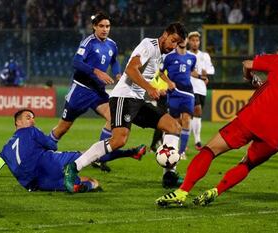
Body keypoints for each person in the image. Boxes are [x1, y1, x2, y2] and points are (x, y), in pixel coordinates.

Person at [155, 48, 278, 207]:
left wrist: (251, 79)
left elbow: (247, 64)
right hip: (276, 136)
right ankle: (215, 191)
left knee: (210, 149)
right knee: (246, 164)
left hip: (252, 118)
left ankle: (182, 192)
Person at [63, 22, 188, 191]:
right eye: (173, 41)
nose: (173, 47)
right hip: (123, 97)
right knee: (118, 140)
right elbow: (130, 69)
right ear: (165, 34)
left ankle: (169, 175)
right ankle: (73, 167)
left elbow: (153, 71)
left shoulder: (161, 53)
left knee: (173, 126)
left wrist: (161, 85)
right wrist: (150, 88)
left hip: (137, 100)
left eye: (177, 44)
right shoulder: (148, 45)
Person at [49, 12, 144, 171]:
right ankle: (43, 152)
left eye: (107, 26)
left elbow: (114, 62)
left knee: (113, 117)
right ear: (94, 27)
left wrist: (118, 74)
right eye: (101, 26)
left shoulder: (112, 44)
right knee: (62, 128)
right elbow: (76, 62)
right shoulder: (89, 42)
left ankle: (100, 158)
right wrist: (96, 72)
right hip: (81, 90)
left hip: (98, 92)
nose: (105, 29)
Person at [0, 109, 99, 192]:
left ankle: (82, 186)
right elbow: (53, 146)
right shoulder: (31, 131)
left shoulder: (5, 151)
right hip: (50, 164)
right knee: (85, 156)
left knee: (73, 183)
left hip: (38, 184)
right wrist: (49, 138)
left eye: (33, 118)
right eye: (28, 118)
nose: (32, 121)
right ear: (18, 122)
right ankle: (97, 166)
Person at [159, 39, 197, 160]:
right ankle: (171, 150)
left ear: (187, 41)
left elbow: (191, 72)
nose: (183, 40)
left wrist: (202, 77)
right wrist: (169, 82)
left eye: (184, 38)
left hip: (188, 94)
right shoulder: (169, 57)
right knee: (174, 124)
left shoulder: (192, 57)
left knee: (186, 120)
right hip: (174, 93)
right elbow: (160, 73)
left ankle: (181, 152)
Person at [187, 31, 215, 150]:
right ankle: (195, 141)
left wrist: (206, 72)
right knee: (194, 111)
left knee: (197, 114)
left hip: (201, 88)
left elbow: (212, 69)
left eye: (197, 40)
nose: (195, 43)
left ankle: (196, 140)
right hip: (189, 87)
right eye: (192, 40)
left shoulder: (205, 55)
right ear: (188, 41)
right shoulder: (186, 54)